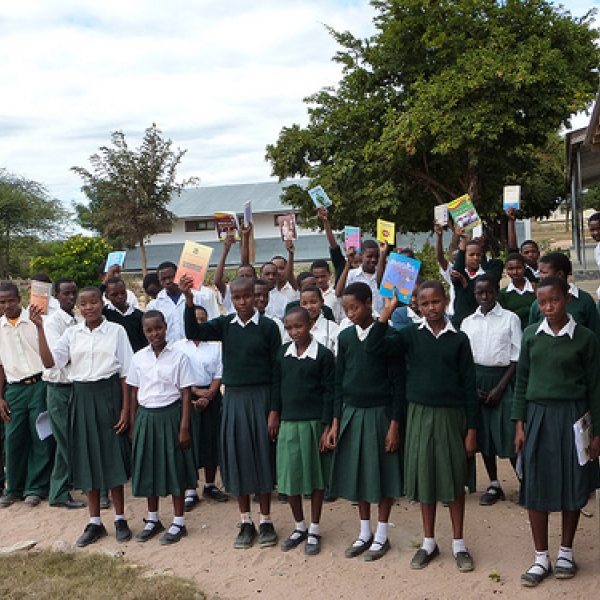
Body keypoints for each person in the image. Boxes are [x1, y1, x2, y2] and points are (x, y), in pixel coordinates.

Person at [366, 281, 478, 572]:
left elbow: (469, 387)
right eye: (425, 303)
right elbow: (373, 347)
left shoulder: (459, 338)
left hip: (452, 417)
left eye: (436, 302)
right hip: (418, 415)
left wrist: (472, 430)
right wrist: (387, 312)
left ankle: (458, 544)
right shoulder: (409, 336)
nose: (431, 308)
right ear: (416, 304)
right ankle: (428, 542)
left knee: (454, 481)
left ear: (446, 301)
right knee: (426, 479)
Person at [181, 276, 281, 549]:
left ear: (256, 297)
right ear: (230, 300)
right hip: (235, 399)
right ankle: (245, 521)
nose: (243, 302)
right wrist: (190, 302)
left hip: (261, 399)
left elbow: (277, 372)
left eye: (247, 296)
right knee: (238, 459)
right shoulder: (225, 325)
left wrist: (274, 410)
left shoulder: (269, 328)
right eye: (236, 298)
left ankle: (265, 520)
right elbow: (194, 332)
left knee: (261, 457)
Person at [513, 276, 600, 587]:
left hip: (574, 418)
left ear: (567, 298)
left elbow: (595, 387)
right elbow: (521, 381)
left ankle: (566, 552)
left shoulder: (585, 338)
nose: (548, 307)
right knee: (535, 484)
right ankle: (540, 557)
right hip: (537, 417)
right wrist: (519, 424)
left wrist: (597, 433)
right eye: (543, 302)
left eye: (555, 300)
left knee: (572, 484)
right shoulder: (530, 336)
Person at [40, 286, 133, 547]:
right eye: (84, 304)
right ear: (79, 307)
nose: (88, 307)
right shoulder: (72, 334)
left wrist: (126, 409)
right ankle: (94, 523)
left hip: (109, 395)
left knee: (111, 457)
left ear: (102, 303)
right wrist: (39, 328)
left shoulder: (116, 331)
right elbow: (49, 363)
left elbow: (126, 373)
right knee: (87, 458)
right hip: (80, 396)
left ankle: (120, 518)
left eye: (93, 302)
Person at [328, 282, 404, 562]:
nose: (350, 314)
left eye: (355, 307)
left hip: (381, 414)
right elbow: (339, 381)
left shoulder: (391, 337)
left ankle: (382, 534)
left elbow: (399, 384)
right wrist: (336, 421)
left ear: (369, 302)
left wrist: (395, 424)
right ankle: (364, 532)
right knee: (359, 474)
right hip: (352, 412)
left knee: (383, 475)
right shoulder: (345, 337)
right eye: (346, 309)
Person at [127, 310, 197, 545]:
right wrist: (134, 424)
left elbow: (186, 394)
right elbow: (135, 392)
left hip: (171, 415)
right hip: (147, 416)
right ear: (144, 332)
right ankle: (153, 519)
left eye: (158, 328)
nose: (154, 333)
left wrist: (184, 427)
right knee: (149, 467)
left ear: (165, 327)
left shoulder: (179, 357)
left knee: (174, 467)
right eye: (149, 330)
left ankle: (179, 521)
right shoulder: (138, 358)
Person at [270, 306, 334, 556]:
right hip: (288, 422)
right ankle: (299, 527)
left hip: (313, 423)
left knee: (316, 479)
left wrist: (327, 425)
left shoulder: (324, 355)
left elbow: (330, 392)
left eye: (299, 326)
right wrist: (274, 413)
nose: (294, 331)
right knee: (290, 477)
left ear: (310, 324)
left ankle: (315, 528)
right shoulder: (282, 354)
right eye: (289, 327)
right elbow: (276, 385)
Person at [461, 275, 521, 506]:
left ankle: (524, 480)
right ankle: (494, 484)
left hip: (502, 380)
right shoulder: (468, 322)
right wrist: (473, 388)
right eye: (479, 293)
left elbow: (517, 357)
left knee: (508, 432)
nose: (484, 297)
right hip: (476, 381)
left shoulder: (510, 319)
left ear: (497, 291)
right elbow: (464, 359)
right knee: (483, 435)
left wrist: (499, 388)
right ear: (474, 294)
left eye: (489, 292)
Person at [0, 283, 54, 508]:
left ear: (19, 298)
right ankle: (14, 488)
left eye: (11, 300)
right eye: (2, 302)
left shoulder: (36, 320)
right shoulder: (0, 327)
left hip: (39, 384)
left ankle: (36, 487)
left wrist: (39, 327)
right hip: (14, 389)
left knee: (39, 436)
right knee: (13, 439)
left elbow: (48, 356)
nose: (7, 305)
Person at [174, 305, 228, 510]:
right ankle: (190, 489)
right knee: (190, 442)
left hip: (212, 396)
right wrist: (196, 392)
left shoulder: (215, 346)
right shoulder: (179, 346)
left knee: (210, 440)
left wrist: (211, 394)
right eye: (195, 319)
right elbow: (177, 374)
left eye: (203, 319)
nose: (199, 322)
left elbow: (219, 372)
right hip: (188, 395)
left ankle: (210, 484)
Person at [43, 277, 85, 509]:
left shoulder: (77, 321)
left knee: (70, 440)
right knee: (65, 440)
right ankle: (64, 490)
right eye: (65, 294)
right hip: (58, 389)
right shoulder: (52, 323)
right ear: (57, 296)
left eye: (73, 293)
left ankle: (60, 492)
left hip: (75, 387)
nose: (70, 298)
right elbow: (59, 357)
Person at [528, 253, 600, 341]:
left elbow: (595, 333)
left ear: (559, 274)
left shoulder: (584, 300)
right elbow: (531, 335)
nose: (540, 276)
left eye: (544, 272)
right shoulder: (537, 304)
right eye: (540, 272)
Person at [147, 261, 220, 343]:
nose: (168, 281)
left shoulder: (197, 298)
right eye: (163, 279)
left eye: (171, 277)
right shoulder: (154, 306)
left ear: (178, 275)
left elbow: (208, 323)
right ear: (159, 281)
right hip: (170, 352)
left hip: (194, 349)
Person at [451, 228, 504, 327]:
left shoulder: (486, 275)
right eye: (471, 255)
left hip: (481, 323)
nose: (475, 258)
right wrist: (464, 240)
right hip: (460, 323)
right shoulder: (461, 274)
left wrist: (465, 283)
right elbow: (457, 270)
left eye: (478, 255)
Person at [214, 227, 257, 314]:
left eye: (248, 276)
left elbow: (245, 263)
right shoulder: (231, 292)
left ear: (255, 277)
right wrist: (226, 250)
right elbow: (217, 281)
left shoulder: (259, 292)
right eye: (241, 276)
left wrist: (245, 236)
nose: (245, 279)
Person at [335, 241, 385, 314]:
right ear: (361, 255)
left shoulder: (383, 276)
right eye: (369, 256)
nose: (373, 260)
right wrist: (348, 263)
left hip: (379, 320)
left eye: (376, 256)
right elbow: (338, 294)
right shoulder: (352, 275)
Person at [103, 277, 147, 352]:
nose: (120, 297)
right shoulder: (104, 314)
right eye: (114, 295)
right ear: (107, 296)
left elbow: (143, 342)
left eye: (123, 293)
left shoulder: (139, 315)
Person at [498, 253, 536, 331]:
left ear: (524, 268)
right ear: (506, 270)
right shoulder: (503, 294)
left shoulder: (537, 289)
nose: (515, 272)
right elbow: (504, 319)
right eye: (511, 269)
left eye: (518, 268)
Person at [299, 286, 340, 355]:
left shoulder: (332, 328)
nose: (309, 307)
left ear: (322, 302)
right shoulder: (296, 328)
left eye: (313, 302)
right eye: (305, 303)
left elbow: (338, 355)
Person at [506, 207, 540, 282]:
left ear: (538, 253)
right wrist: (511, 221)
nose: (530, 255)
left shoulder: (544, 269)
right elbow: (513, 248)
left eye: (533, 252)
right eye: (526, 253)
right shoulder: (521, 271)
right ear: (521, 255)